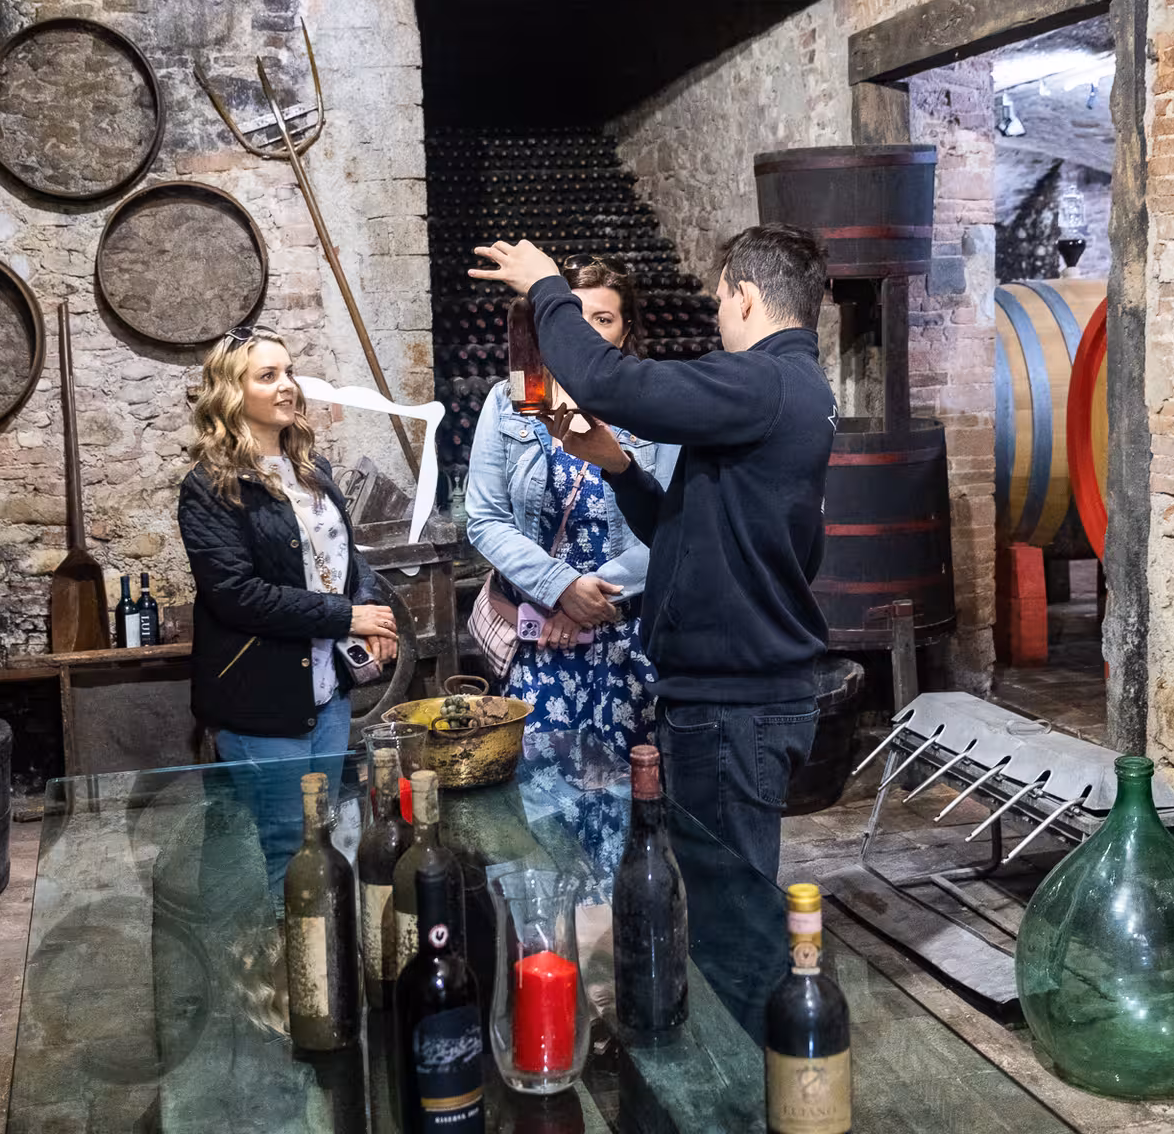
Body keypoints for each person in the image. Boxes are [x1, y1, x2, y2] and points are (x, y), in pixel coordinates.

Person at [470, 225, 836, 882]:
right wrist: (620, 469)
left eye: (722, 299)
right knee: (707, 885)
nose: (719, 315)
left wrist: (546, 287)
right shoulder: (785, 387)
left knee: (728, 905)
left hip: (731, 697)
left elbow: (606, 383)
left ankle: (734, 983)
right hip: (717, 690)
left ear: (745, 298)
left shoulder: (760, 382)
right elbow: (685, 527)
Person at [465, 257, 680, 877]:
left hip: (626, 647)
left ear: (626, 330)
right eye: (573, 316)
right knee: (540, 823)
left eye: (604, 318)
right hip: (541, 650)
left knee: (628, 813)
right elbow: (483, 518)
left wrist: (593, 595)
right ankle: (553, 956)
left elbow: (673, 523)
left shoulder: (658, 407)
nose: (586, 331)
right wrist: (560, 589)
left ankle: (620, 954)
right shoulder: (511, 404)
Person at [177, 325, 399, 900]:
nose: (287, 387)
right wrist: (346, 618)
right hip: (262, 700)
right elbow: (235, 593)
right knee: (287, 849)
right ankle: (296, 981)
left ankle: (331, 971)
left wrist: (370, 604)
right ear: (232, 393)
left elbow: (346, 560)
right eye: (267, 376)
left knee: (329, 839)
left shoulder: (311, 468)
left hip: (327, 695)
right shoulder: (209, 486)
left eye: (289, 372)